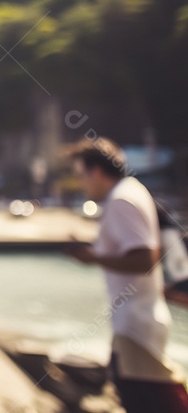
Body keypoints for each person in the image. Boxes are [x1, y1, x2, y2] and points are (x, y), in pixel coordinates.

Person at [64, 136, 188, 412]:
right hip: (138, 320)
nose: (81, 184)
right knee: (145, 396)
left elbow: (145, 258)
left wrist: (92, 257)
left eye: (81, 176)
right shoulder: (131, 191)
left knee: (157, 401)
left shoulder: (122, 199)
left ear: (96, 171)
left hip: (136, 321)